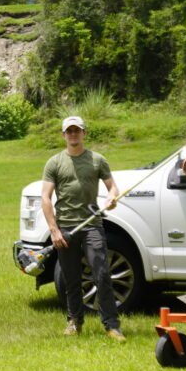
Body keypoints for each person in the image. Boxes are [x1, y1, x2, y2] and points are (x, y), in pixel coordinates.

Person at [41, 116, 125, 341]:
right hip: (66, 227)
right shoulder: (55, 163)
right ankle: (75, 322)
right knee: (71, 278)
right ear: (63, 135)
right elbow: (46, 198)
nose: (73, 135)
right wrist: (54, 230)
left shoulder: (98, 160)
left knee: (102, 274)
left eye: (77, 130)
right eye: (69, 131)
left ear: (84, 133)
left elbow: (112, 187)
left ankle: (112, 325)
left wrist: (112, 197)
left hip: (92, 226)